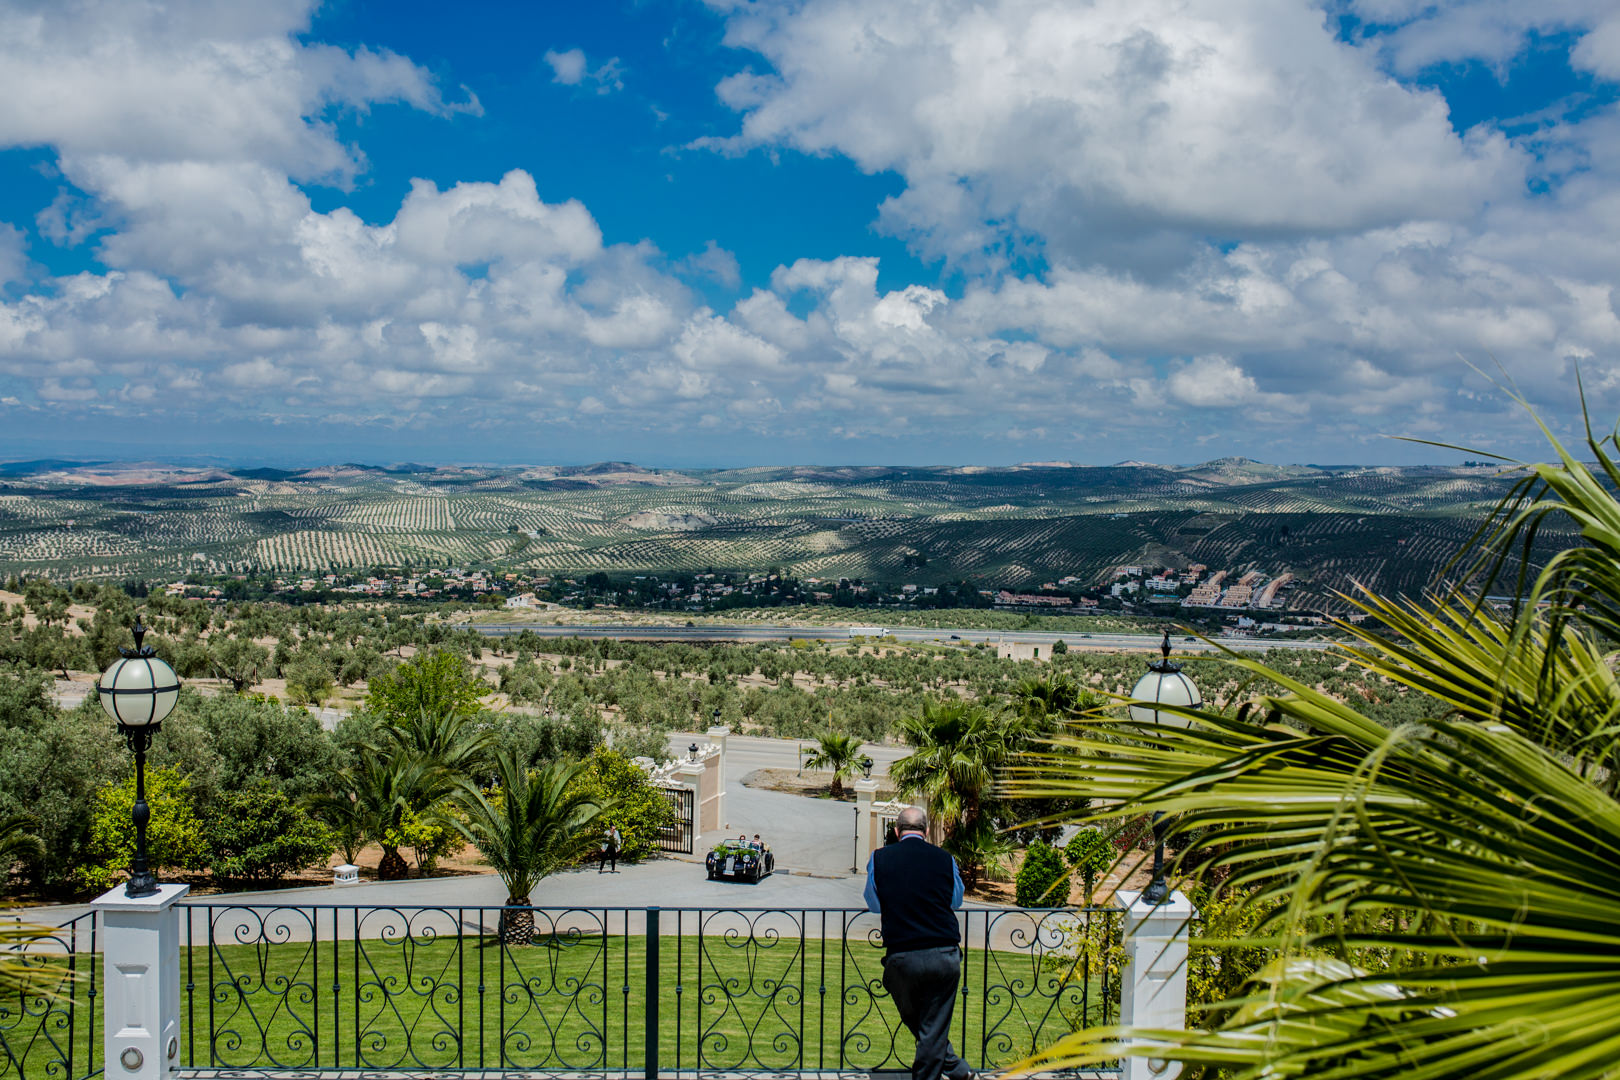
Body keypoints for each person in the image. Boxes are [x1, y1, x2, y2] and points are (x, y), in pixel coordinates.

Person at [863, 807, 972, 1080]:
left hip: (902, 956)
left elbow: (874, 904)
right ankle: (956, 1069)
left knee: (921, 1018)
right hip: (944, 954)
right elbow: (956, 901)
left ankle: (941, 1073)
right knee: (932, 1025)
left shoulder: (880, 858)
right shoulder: (945, 859)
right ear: (925, 831)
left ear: (897, 832)